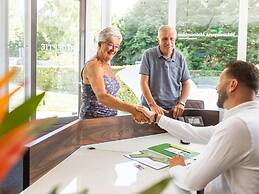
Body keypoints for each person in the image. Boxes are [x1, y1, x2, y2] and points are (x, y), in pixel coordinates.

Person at [137, 60, 259, 193]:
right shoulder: (249, 118)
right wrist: (156, 117)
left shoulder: (237, 126)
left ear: (232, 85)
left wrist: (177, 167)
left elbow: (191, 182)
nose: (216, 87)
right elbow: (194, 133)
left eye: (220, 80)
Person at [80, 26, 147, 122]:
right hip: (92, 122)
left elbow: (112, 94)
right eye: (110, 44)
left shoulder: (106, 64)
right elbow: (102, 96)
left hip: (109, 120)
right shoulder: (93, 65)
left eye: (117, 46)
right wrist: (133, 110)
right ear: (100, 44)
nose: (113, 49)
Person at [139, 25, 191, 118]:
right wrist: (152, 105)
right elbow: (143, 82)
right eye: (165, 39)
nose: (169, 42)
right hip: (150, 108)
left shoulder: (180, 58)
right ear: (158, 40)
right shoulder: (148, 55)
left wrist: (181, 103)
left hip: (172, 110)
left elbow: (186, 83)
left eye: (172, 39)